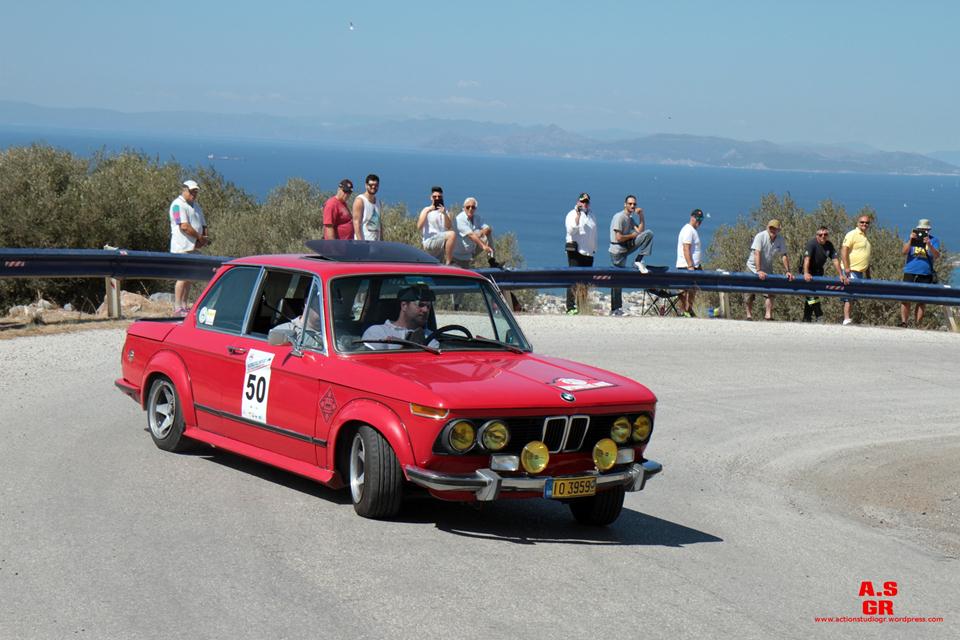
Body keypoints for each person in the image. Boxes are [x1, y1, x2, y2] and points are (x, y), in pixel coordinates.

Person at [609, 195, 654, 314]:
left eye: (634, 204)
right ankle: (615, 308)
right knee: (617, 279)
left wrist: (641, 216)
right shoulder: (619, 217)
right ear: (625, 204)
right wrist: (632, 236)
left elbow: (640, 231)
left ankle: (638, 260)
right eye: (630, 204)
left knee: (649, 234)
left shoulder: (630, 218)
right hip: (617, 250)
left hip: (625, 247)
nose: (632, 206)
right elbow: (618, 238)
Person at [168, 179, 208, 316]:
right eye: (191, 191)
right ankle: (178, 306)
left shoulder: (196, 206)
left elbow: (203, 224)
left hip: (193, 246)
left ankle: (184, 305)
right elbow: (184, 226)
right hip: (181, 246)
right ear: (184, 190)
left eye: (195, 192)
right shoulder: (177, 205)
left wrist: (203, 238)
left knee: (189, 277)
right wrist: (199, 237)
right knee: (182, 276)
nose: (194, 194)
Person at [361, 285, 439, 350]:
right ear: (404, 306)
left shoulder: (430, 336)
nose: (425, 310)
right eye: (420, 305)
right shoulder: (378, 332)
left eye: (428, 306)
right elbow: (373, 362)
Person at [745, 219, 794, 321]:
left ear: (778, 230)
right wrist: (758, 270)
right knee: (749, 292)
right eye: (771, 228)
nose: (772, 230)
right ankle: (749, 315)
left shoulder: (780, 239)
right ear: (767, 227)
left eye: (775, 228)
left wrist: (788, 271)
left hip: (767, 268)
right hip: (752, 267)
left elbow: (784, 255)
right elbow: (757, 253)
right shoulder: (760, 236)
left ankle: (768, 315)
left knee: (770, 292)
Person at [800, 226, 847, 322]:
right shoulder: (811, 244)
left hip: (818, 271)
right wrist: (806, 273)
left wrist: (841, 274)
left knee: (812, 293)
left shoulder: (829, 245)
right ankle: (819, 315)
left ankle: (806, 318)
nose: (823, 236)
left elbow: (835, 260)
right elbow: (806, 259)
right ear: (817, 235)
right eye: (820, 234)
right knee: (811, 293)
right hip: (807, 270)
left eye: (825, 234)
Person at [900, 218, 941, 327]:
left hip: (925, 273)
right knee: (905, 299)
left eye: (925, 230)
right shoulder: (911, 238)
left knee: (921, 300)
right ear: (918, 229)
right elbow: (904, 252)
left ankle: (918, 324)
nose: (923, 231)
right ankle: (904, 322)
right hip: (910, 271)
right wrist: (910, 240)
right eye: (921, 229)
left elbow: (936, 255)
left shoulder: (934, 240)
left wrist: (929, 244)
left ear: (929, 230)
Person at [564, 192, 597, 315]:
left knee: (585, 282)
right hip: (576, 252)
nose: (584, 204)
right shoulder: (572, 214)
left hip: (588, 253)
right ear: (578, 202)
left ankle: (581, 305)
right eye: (582, 201)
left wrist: (594, 248)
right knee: (573, 279)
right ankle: (570, 307)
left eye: (586, 201)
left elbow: (593, 233)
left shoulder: (592, 215)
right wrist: (578, 216)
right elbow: (571, 230)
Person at [840, 215, 872, 325]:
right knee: (849, 294)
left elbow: (865, 257)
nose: (864, 224)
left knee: (853, 295)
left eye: (867, 223)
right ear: (857, 223)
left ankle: (848, 318)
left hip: (859, 272)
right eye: (862, 222)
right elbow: (844, 250)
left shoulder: (865, 237)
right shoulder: (852, 234)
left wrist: (868, 274)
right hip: (851, 270)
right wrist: (847, 267)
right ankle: (846, 318)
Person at [675, 208, 705, 317]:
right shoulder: (688, 230)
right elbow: (686, 248)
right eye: (697, 219)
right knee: (684, 290)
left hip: (694, 266)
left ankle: (689, 309)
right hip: (687, 266)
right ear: (692, 217)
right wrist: (690, 265)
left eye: (701, 219)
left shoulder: (692, 230)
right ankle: (684, 310)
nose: (699, 221)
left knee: (693, 289)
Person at [451, 197, 495, 268]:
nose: (470, 209)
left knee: (487, 235)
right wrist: (483, 246)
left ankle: (492, 261)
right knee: (475, 234)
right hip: (460, 255)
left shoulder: (477, 218)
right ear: (464, 208)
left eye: (473, 207)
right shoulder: (460, 219)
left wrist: (481, 232)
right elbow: (471, 235)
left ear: (475, 209)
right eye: (468, 207)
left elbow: (488, 229)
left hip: (471, 250)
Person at [417, 186, 455, 264]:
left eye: (439, 197)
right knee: (452, 234)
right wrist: (428, 211)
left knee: (437, 264)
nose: (437, 198)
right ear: (431, 198)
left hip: (440, 242)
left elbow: (448, 226)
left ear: (442, 198)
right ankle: (449, 262)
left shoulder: (445, 211)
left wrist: (444, 214)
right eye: (435, 197)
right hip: (430, 241)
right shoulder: (426, 210)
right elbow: (419, 226)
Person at [352, 174, 382, 241]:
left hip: (376, 243)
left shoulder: (378, 202)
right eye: (371, 185)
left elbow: (379, 223)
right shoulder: (360, 201)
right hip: (364, 242)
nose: (373, 187)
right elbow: (356, 223)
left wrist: (382, 242)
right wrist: (361, 243)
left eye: (376, 185)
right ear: (366, 185)